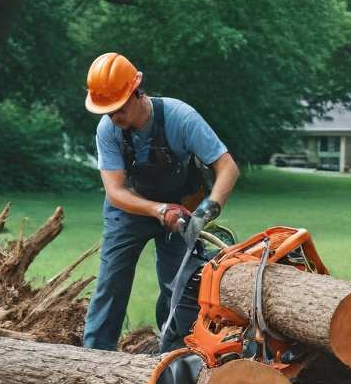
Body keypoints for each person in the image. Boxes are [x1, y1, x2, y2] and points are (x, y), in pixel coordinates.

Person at [82, 52, 240, 353]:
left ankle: (178, 352)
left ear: (137, 91)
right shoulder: (108, 129)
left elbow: (227, 166)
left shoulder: (181, 118)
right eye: (108, 110)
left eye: (119, 108)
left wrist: (208, 209)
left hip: (182, 203)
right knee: (111, 281)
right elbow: (115, 192)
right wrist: (157, 209)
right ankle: (95, 355)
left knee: (181, 284)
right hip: (129, 207)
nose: (114, 117)